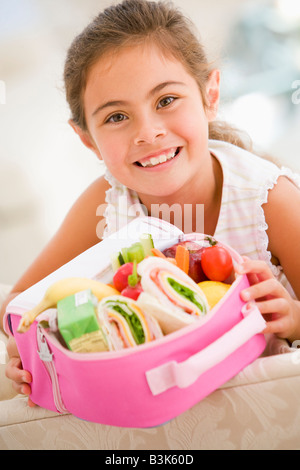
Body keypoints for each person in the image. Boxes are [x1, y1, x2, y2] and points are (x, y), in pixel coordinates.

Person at [1, 0, 300, 405]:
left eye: (165, 101)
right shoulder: (106, 203)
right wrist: (27, 349)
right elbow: (20, 305)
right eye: (116, 117)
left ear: (210, 94)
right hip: (149, 414)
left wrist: (294, 319)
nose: (148, 132)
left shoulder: (269, 200)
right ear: (87, 139)